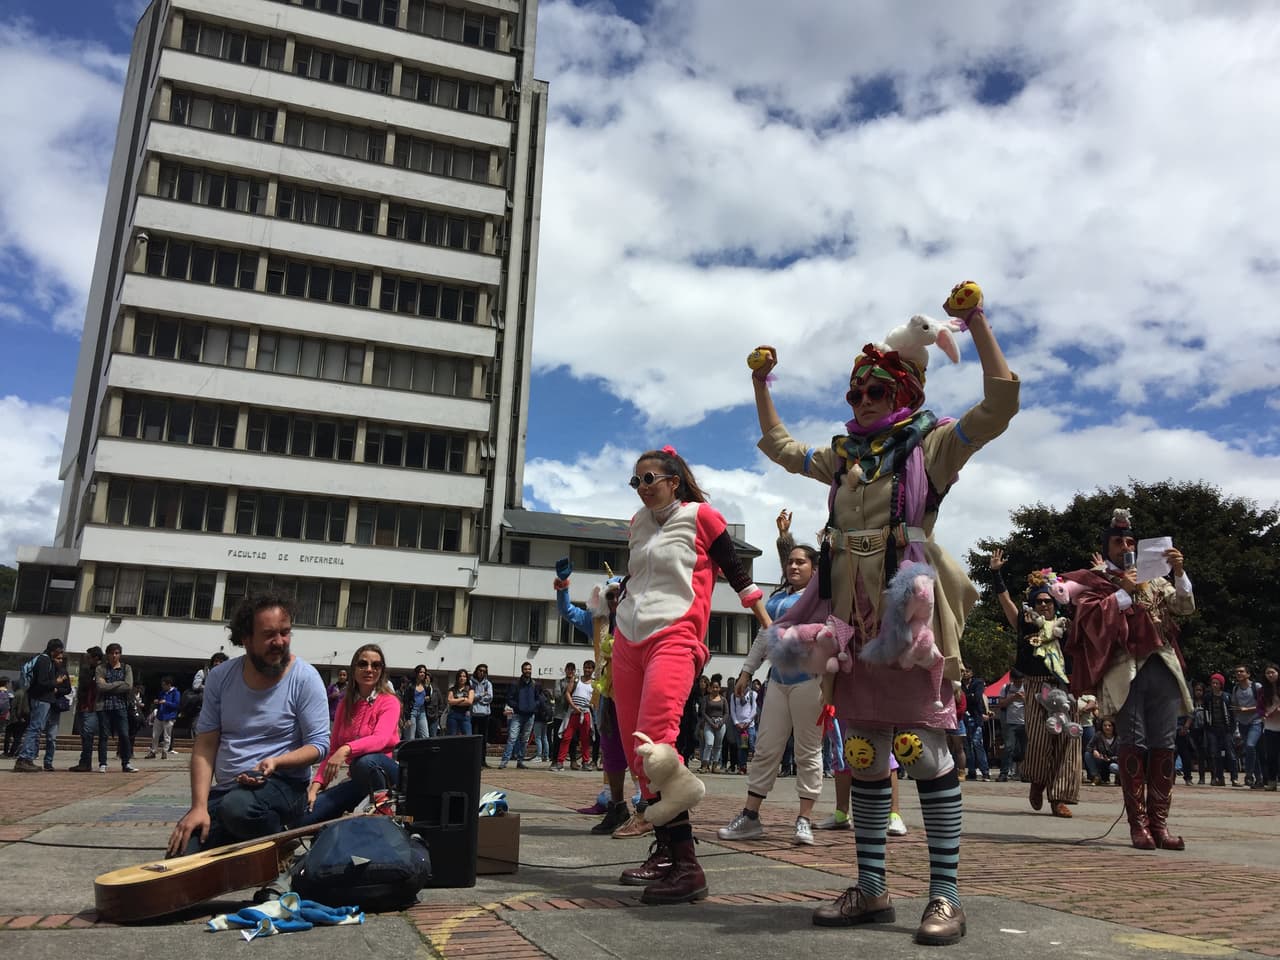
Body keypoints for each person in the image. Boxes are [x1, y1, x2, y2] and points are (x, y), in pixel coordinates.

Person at [751, 280, 1018, 945]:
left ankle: (946, 897)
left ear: (906, 391)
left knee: (922, 751)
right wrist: (763, 383)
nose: (863, 400)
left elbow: (1001, 402)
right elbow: (786, 450)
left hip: (910, 617)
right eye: (855, 392)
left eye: (876, 390)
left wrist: (976, 322)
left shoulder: (933, 445)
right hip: (849, 617)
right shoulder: (844, 456)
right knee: (867, 752)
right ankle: (871, 889)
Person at [612, 445, 769, 906]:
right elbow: (636, 578)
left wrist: (770, 627)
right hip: (627, 640)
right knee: (633, 747)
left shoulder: (702, 516)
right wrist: (613, 598)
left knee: (657, 743)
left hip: (676, 634)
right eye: (635, 481)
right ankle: (663, 850)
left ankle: (687, 866)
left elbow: (739, 574)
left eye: (649, 479)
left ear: (673, 481)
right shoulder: (637, 525)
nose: (641, 488)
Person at [1061, 507, 1195, 850]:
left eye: (1130, 541)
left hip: (1162, 665)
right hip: (1125, 670)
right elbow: (1087, 621)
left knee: (1164, 744)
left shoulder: (1156, 578)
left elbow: (1183, 607)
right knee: (1133, 743)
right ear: (1107, 547)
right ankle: (1138, 826)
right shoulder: (1096, 580)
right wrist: (1123, 593)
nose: (1125, 546)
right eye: (1119, 541)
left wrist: (1179, 572)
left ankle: (1159, 825)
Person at [166, 593, 330, 856]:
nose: (279, 642)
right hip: (228, 791)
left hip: (284, 788)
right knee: (180, 857)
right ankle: (242, 849)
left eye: (285, 633)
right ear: (246, 640)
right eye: (269, 635)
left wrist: (277, 762)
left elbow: (319, 745)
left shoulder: (305, 677)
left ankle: (280, 845)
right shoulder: (221, 678)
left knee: (239, 809)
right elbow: (206, 744)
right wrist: (199, 806)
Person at [721, 511, 825, 845]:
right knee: (766, 749)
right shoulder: (777, 598)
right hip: (778, 683)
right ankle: (750, 816)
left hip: (811, 683)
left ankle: (804, 820)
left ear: (815, 568)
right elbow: (765, 637)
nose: (794, 567)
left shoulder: (822, 598)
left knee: (808, 752)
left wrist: (789, 538)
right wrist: (747, 670)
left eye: (801, 563)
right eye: (790, 562)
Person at [553, 571, 646, 836]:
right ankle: (617, 808)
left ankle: (646, 805)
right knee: (610, 750)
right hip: (607, 694)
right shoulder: (597, 620)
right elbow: (566, 611)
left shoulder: (642, 619)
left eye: (620, 594)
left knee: (640, 749)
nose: (616, 599)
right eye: (611, 595)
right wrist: (563, 586)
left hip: (636, 693)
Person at [988, 554, 1080, 816]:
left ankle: (1059, 797)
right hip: (1036, 685)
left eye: (1048, 602)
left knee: (1068, 740)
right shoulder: (1024, 625)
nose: (1044, 606)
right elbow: (1004, 600)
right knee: (1040, 740)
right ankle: (1038, 782)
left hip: (1063, 686)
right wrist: (996, 573)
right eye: (1039, 601)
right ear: (1032, 603)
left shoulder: (1067, 626)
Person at [299, 644, 400, 825]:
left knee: (365, 762)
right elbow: (332, 752)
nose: (369, 669)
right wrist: (315, 787)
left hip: (387, 774)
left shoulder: (390, 701)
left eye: (376, 665)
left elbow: (381, 739)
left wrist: (346, 749)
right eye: (363, 664)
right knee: (305, 814)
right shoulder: (345, 705)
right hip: (359, 778)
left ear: (381, 671)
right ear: (354, 669)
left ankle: (381, 812)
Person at [15, 639, 70, 773]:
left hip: (42, 699)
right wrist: (56, 682)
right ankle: (23, 758)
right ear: (54, 649)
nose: (61, 654)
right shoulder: (44, 661)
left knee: (37, 729)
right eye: (60, 650)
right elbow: (42, 682)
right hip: (41, 699)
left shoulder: (46, 661)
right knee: (35, 728)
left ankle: (28, 758)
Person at [68, 647, 106, 772]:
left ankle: (86, 762)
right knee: (85, 735)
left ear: (95, 658)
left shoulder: (101, 671)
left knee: (88, 734)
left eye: (88, 658)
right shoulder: (87, 670)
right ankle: (84, 761)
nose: (87, 660)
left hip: (92, 706)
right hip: (83, 705)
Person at [554, 662, 595, 771]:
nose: (587, 670)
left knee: (585, 738)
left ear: (593, 670)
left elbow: (596, 698)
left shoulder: (595, 683)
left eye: (590, 668)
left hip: (585, 713)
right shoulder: (576, 680)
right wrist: (573, 706)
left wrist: (591, 704)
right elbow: (567, 692)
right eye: (586, 667)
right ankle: (560, 761)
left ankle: (585, 762)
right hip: (573, 713)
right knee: (566, 737)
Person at [1230, 665, 1264, 788]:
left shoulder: (1257, 687)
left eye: (1241, 671)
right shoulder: (1235, 689)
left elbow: (1262, 706)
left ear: (1248, 674)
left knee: (1250, 746)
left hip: (1256, 722)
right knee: (1251, 751)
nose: (1239, 673)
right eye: (1237, 671)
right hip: (1243, 724)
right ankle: (1259, 779)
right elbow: (1235, 707)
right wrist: (1236, 724)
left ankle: (1248, 774)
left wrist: (1247, 709)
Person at [501, 662, 538, 770]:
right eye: (526, 669)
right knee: (512, 738)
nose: (528, 671)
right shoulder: (516, 684)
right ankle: (504, 761)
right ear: (522, 670)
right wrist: (518, 706)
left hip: (530, 716)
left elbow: (539, 698)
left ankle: (520, 761)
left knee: (525, 740)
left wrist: (534, 706)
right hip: (517, 715)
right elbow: (509, 698)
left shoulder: (535, 684)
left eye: (529, 669)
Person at [1204, 672, 1237, 786]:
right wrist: (1207, 727)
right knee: (1214, 753)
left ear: (1221, 684)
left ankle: (1234, 778)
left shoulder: (1227, 696)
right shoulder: (1208, 697)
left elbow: (1232, 714)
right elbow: (1205, 713)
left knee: (1230, 753)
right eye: (1213, 683)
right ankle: (1218, 777)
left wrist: (1233, 728)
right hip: (1212, 728)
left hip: (1226, 728)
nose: (1214, 685)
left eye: (1217, 683)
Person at [961, 667, 991, 781]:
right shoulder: (959, 684)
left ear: (972, 673)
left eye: (967, 671)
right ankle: (971, 771)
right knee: (967, 745)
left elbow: (978, 697)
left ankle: (985, 771)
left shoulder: (978, 683)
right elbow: (958, 698)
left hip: (976, 717)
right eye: (963, 671)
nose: (965, 673)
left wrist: (967, 697)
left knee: (977, 743)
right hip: (964, 718)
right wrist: (970, 696)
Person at [997, 669, 1026, 783]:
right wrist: (1013, 697)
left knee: (1024, 749)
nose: (1019, 683)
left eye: (1021, 681)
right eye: (1017, 681)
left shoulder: (1027, 688)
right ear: (1012, 679)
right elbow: (1001, 703)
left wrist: (1023, 698)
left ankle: (1024, 773)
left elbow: (1033, 705)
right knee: (1008, 748)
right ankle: (1003, 773)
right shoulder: (1006, 688)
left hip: (1024, 722)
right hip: (1010, 723)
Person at [401, 665, 442, 740]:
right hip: (412, 712)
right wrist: (407, 718)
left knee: (425, 735)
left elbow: (428, 700)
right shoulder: (410, 686)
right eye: (420, 672)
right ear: (416, 673)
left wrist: (428, 699)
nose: (422, 674)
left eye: (424, 672)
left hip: (422, 712)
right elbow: (406, 702)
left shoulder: (426, 686)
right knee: (410, 737)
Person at [147, 676, 182, 760]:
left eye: (164, 685)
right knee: (155, 735)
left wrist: (166, 703)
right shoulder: (162, 692)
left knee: (167, 736)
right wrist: (157, 702)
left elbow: (176, 705)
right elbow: (160, 701)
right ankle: (153, 750)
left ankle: (165, 751)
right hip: (160, 716)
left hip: (169, 716)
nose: (163, 687)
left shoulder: (175, 693)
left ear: (169, 685)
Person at [1258, 664, 1280, 791]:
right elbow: (1259, 708)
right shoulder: (1262, 690)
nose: (1270, 675)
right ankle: (1272, 781)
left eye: (1272, 672)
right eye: (1268, 673)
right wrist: (1263, 715)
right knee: (1271, 755)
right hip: (1270, 727)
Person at [470, 664, 494, 767]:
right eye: (480, 670)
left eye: (484, 671)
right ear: (476, 671)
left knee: (483, 739)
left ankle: (482, 761)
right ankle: (473, 760)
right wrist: (481, 695)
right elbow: (470, 697)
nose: (482, 673)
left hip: (485, 714)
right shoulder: (470, 682)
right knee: (473, 738)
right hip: (473, 714)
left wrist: (477, 698)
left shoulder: (488, 684)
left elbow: (490, 697)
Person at [445, 669, 474, 735]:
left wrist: (455, 701)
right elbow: (450, 701)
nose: (462, 678)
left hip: (465, 715)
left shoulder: (470, 689)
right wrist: (463, 698)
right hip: (453, 715)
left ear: (467, 678)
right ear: (457, 678)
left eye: (464, 676)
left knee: (468, 737)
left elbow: (469, 702)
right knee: (451, 737)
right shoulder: (452, 689)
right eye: (460, 676)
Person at [1090, 718, 1119, 784]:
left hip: (1115, 762)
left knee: (1113, 767)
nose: (1107, 727)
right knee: (1087, 754)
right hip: (1101, 760)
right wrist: (1094, 750)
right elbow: (1089, 746)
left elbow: (1121, 755)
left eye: (1109, 725)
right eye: (1104, 725)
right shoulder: (1098, 735)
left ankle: (1120, 777)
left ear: (1113, 727)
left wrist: (1110, 759)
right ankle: (1096, 776)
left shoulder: (1118, 737)